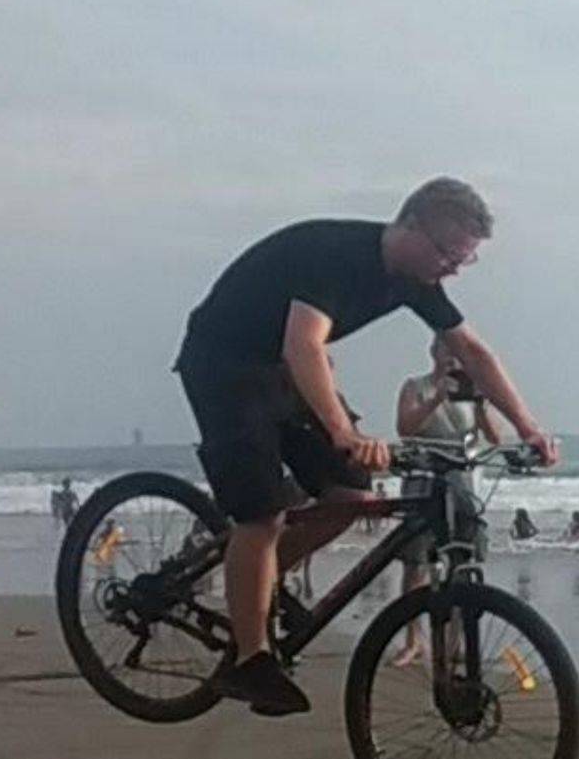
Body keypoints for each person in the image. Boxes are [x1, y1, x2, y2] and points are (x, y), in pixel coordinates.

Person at [173, 177, 557, 716]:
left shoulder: (415, 279)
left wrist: (528, 428)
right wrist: (344, 431)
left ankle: (257, 590)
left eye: (463, 261)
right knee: (261, 516)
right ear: (411, 226)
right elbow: (305, 344)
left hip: (282, 368)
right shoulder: (335, 255)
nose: (452, 269)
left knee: (351, 499)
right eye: (448, 254)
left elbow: (473, 352)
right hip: (224, 363)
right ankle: (250, 658)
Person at [392, 334, 504, 666]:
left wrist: (480, 403)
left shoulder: (472, 389)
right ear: (434, 352)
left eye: (458, 353)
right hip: (424, 478)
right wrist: (436, 398)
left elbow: (495, 437)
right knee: (416, 562)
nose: (453, 358)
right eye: (447, 351)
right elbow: (405, 429)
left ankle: (457, 641)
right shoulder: (416, 386)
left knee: (463, 561)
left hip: (464, 482)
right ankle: (413, 639)